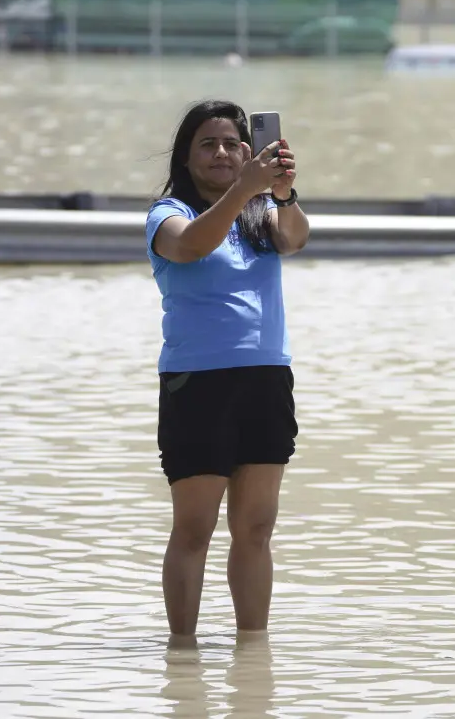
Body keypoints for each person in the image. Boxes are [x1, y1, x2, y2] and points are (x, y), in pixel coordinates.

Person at [144, 99, 311, 642]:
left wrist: (281, 192)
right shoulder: (169, 214)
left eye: (233, 144)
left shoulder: (263, 212)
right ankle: (183, 654)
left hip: (265, 379)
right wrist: (247, 187)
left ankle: (252, 655)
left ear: (250, 151)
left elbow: (296, 238)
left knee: (257, 528)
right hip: (199, 384)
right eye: (208, 144)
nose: (222, 152)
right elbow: (190, 247)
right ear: (186, 158)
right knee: (195, 529)